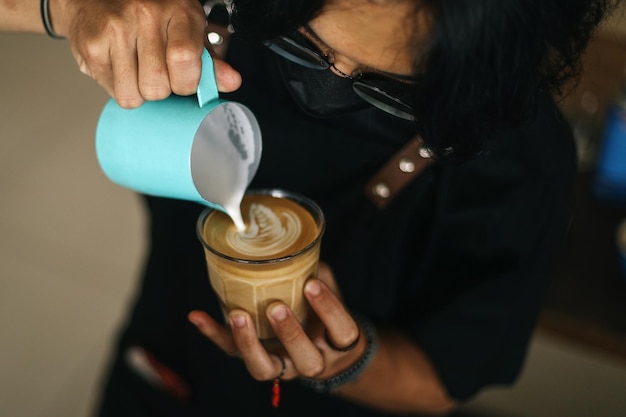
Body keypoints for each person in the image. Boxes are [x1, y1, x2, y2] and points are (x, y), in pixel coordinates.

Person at [1, 0, 620, 415]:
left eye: (387, 87)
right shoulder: (219, 20)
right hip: (167, 365)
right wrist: (72, 8)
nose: (333, 78)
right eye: (302, 47)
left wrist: (353, 362)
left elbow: (443, 378)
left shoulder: (517, 158)